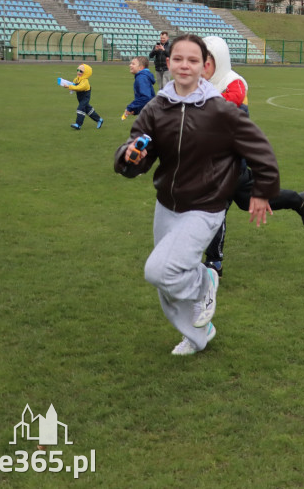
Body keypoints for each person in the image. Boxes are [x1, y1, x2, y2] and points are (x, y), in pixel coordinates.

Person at [114, 34, 280, 356]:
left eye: (193, 60)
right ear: (169, 63)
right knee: (168, 284)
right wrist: (129, 156)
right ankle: (197, 336)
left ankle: (206, 281)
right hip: (167, 204)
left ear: (205, 66)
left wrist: (262, 190)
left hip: (206, 205)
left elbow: (260, 148)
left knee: (159, 270)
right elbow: (138, 149)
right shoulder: (156, 107)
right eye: (178, 59)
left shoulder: (221, 110)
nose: (185, 65)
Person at [200, 36, 304, 276]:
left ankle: (214, 262)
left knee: (214, 209)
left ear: (219, 60)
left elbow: (232, 105)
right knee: (245, 201)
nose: (202, 65)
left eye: (207, 59)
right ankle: (298, 200)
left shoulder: (233, 82)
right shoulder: (201, 84)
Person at [61, 63, 103, 130]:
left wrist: (69, 86)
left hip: (85, 97)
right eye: (78, 70)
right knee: (88, 110)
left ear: (86, 73)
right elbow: (74, 85)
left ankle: (78, 124)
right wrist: (69, 86)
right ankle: (99, 120)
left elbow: (79, 88)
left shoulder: (85, 81)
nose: (78, 72)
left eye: (81, 71)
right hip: (80, 97)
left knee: (80, 109)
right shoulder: (77, 79)